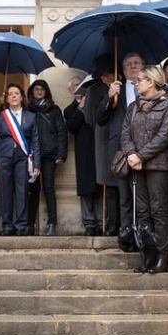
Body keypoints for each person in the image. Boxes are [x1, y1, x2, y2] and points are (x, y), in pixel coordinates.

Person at [120, 65, 168, 273]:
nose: (136, 84)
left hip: (158, 166)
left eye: (139, 81)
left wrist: (141, 155)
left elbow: (164, 136)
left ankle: (162, 257)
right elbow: (125, 133)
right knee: (142, 212)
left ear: (151, 82)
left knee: (159, 211)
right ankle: (147, 255)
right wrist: (130, 154)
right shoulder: (133, 107)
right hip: (136, 166)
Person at [98, 52, 144, 242]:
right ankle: (127, 236)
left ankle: (143, 234)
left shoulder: (150, 89)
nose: (133, 67)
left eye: (136, 63)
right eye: (128, 65)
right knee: (124, 196)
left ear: (143, 67)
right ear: (123, 71)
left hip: (145, 150)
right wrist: (109, 97)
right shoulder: (116, 90)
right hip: (121, 150)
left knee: (142, 198)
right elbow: (100, 119)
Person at [0, 84, 41, 236]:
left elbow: (36, 141)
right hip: (3, 158)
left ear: (22, 97)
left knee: (22, 192)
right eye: (10, 94)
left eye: (16, 93)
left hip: (23, 159)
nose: (13, 96)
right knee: (5, 192)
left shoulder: (31, 116)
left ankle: (21, 226)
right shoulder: (0, 116)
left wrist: (37, 164)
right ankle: (7, 226)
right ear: (6, 98)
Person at [27, 79, 68, 236]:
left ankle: (52, 223)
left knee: (49, 188)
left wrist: (61, 154)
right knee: (33, 189)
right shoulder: (28, 109)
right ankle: (30, 224)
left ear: (46, 92)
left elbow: (61, 132)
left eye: (41, 89)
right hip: (32, 154)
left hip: (50, 153)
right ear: (32, 92)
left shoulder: (54, 109)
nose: (38, 92)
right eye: (36, 89)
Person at [83, 55, 119, 234]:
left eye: (108, 74)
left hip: (122, 137)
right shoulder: (94, 90)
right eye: (102, 75)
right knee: (108, 181)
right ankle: (111, 224)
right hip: (103, 138)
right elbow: (90, 118)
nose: (105, 78)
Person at [65, 76, 101, 235]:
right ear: (70, 90)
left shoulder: (97, 100)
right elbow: (71, 126)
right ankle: (89, 223)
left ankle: (102, 221)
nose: (79, 87)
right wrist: (81, 106)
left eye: (82, 84)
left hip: (99, 149)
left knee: (101, 185)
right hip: (84, 151)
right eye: (76, 85)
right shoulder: (70, 109)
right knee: (86, 187)